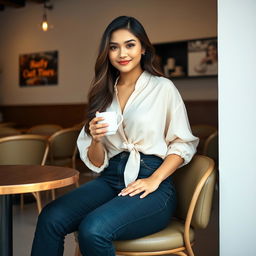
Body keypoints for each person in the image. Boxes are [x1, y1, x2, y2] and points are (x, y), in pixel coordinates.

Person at [31, 16, 199, 256]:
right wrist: (97, 139)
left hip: (153, 182)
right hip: (111, 178)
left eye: (130, 45)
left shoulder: (163, 88)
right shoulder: (103, 93)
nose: (122, 53)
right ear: (107, 52)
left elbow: (183, 144)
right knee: (50, 217)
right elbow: (98, 162)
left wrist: (155, 179)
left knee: (93, 229)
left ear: (143, 49)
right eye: (114, 47)